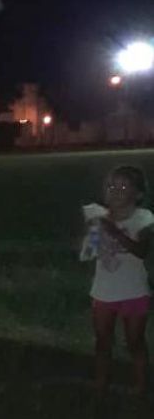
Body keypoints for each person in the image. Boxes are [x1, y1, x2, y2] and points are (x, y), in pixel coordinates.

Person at [87, 165, 154, 395]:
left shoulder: (143, 218)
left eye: (123, 186)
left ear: (138, 194)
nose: (115, 190)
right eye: (111, 186)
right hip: (103, 292)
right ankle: (100, 384)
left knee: (135, 341)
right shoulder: (100, 217)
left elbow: (141, 250)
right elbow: (89, 252)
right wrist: (91, 232)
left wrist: (113, 231)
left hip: (134, 292)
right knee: (103, 341)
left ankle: (142, 387)